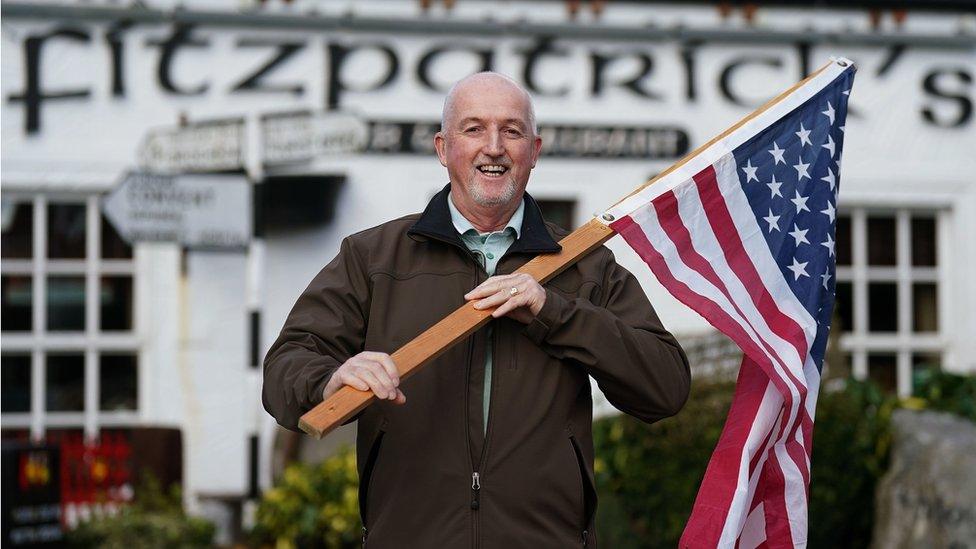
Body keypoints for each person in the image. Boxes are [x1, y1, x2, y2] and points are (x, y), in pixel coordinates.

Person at [262, 72, 690, 548]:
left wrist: (554, 311)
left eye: (512, 131)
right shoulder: (374, 258)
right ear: (443, 149)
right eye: (473, 129)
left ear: (535, 151)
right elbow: (285, 366)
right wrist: (332, 378)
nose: (493, 147)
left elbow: (665, 387)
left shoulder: (584, 266)